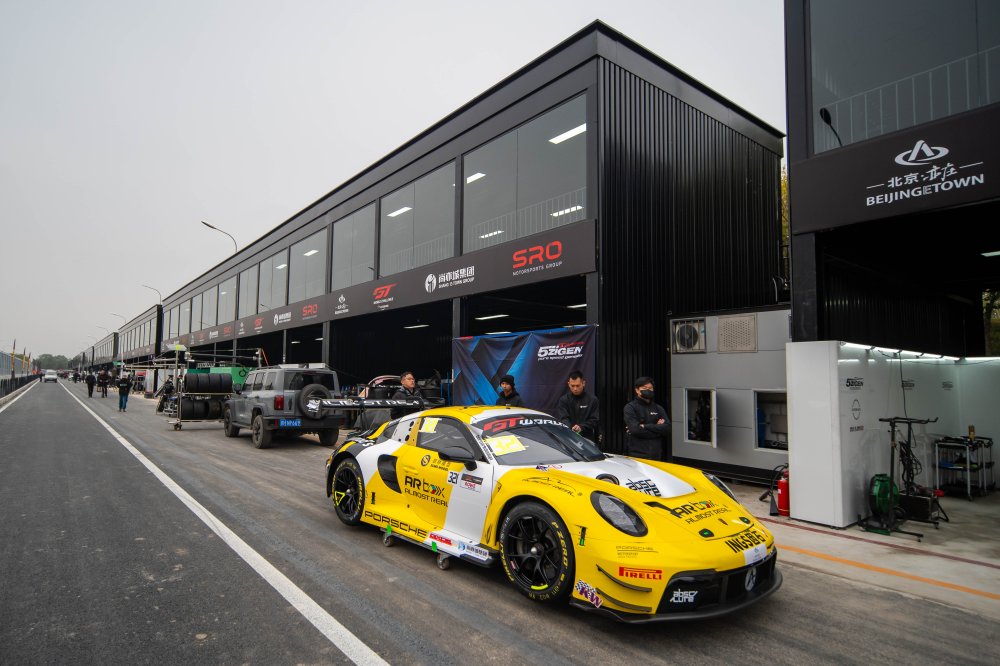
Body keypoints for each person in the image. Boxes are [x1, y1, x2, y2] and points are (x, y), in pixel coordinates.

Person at [623, 376, 671, 461]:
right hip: (637, 455)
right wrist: (657, 428)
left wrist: (645, 426)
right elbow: (635, 430)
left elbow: (667, 429)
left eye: (650, 388)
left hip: (656, 455)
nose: (648, 390)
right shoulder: (630, 407)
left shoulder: (658, 408)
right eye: (644, 388)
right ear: (637, 390)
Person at [556, 371, 600, 443]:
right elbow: (564, 418)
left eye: (577, 385)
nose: (575, 389)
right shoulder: (563, 400)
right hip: (569, 438)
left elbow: (594, 419)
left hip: (587, 439)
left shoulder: (593, 400)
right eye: (572, 386)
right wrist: (571, 427)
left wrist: (581, 427)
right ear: (568, 384)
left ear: (583, 383)